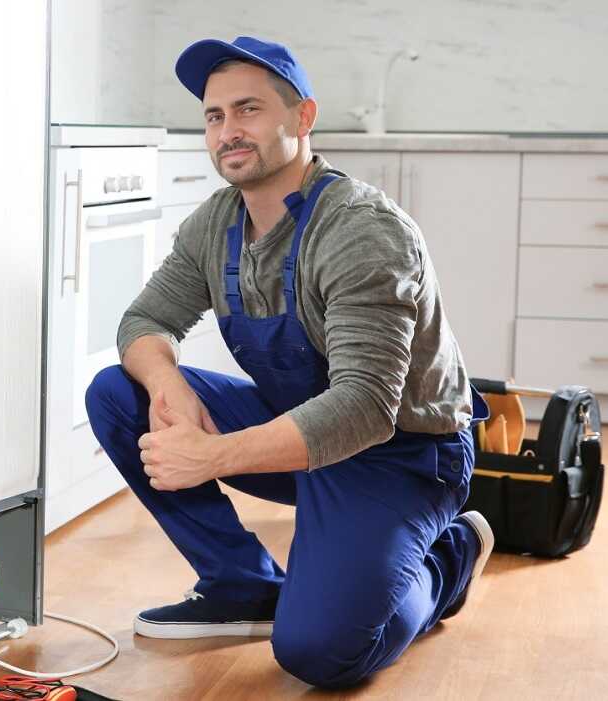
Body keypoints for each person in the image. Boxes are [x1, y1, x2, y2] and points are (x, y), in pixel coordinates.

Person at [84, 35, 493, 689]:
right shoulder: (217, 222)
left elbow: (364, 407)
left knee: (319, 652)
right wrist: (166, 383)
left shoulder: (360, 229)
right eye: (214, 115)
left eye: (248, 109)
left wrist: (211, 456)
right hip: (302, 436)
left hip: (400, 454)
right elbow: (143, 323)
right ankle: (242, 584)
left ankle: (448, 559)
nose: (227, 131)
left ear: (303, 117)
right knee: (118, 391)